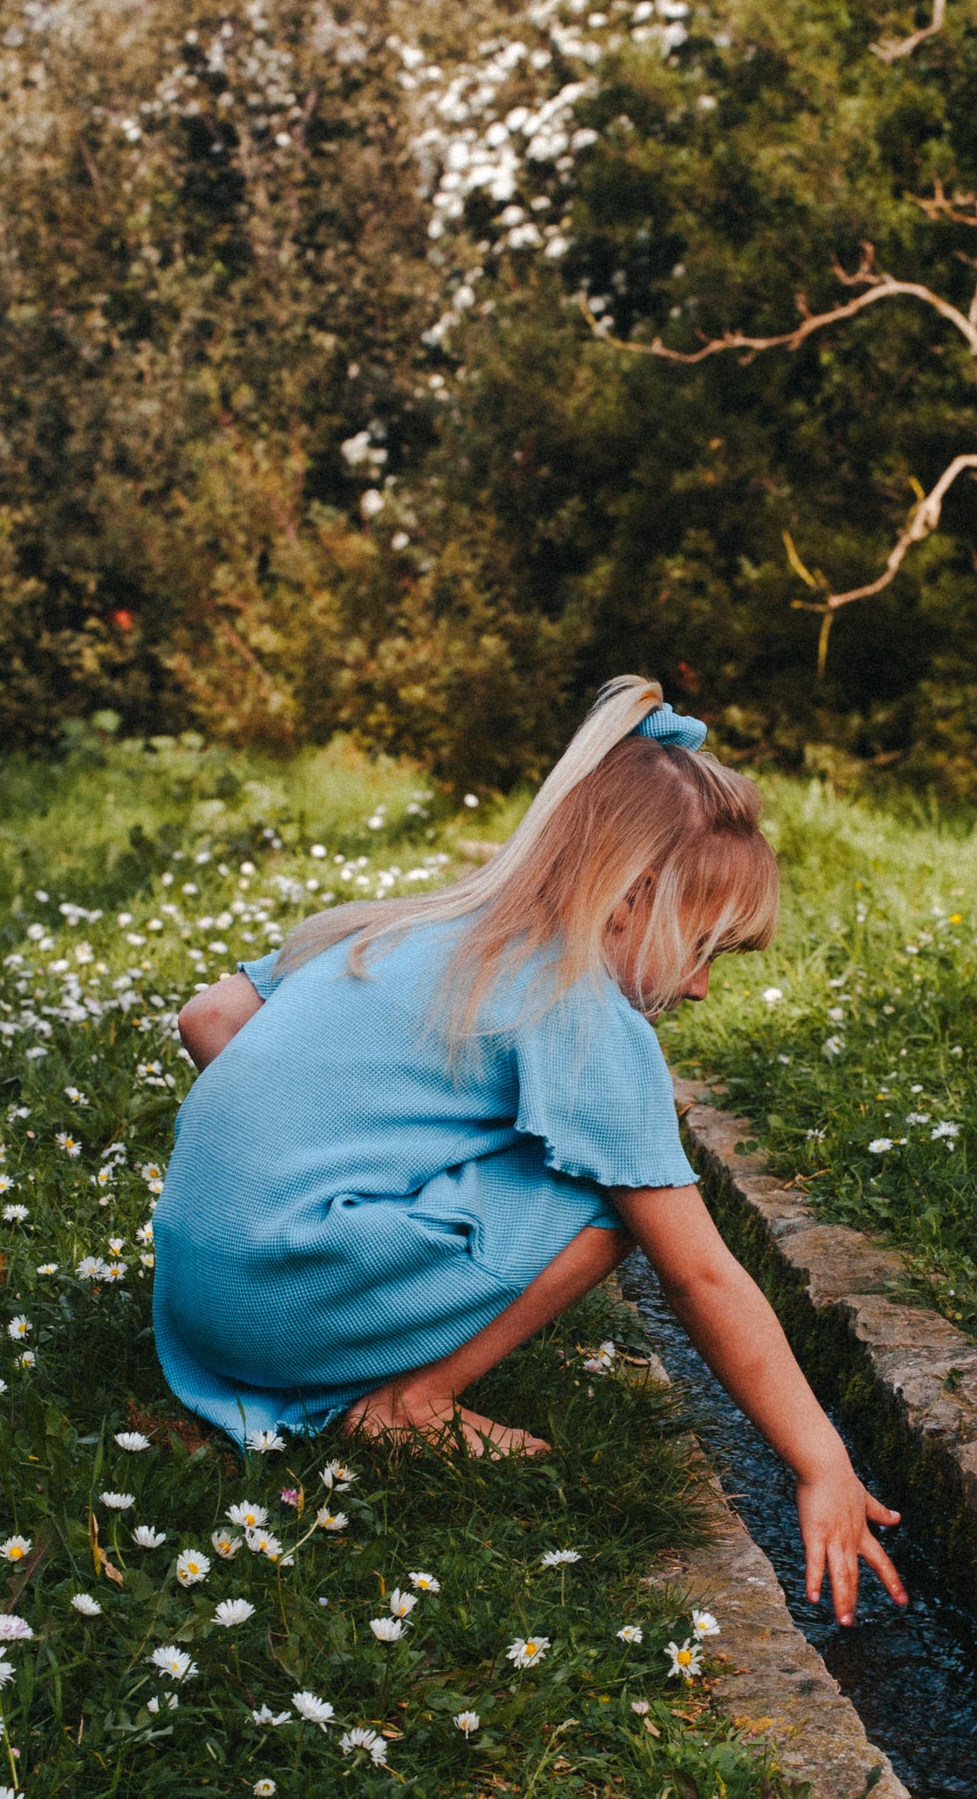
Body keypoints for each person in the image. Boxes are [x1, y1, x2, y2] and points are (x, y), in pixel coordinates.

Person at [153, 674, 907, 1623]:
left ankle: (340, 1327)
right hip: (286, 1310)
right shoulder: (578, 1008)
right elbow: (699, 1277)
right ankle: (410, 1408)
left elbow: (207, 1017)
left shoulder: (402, 926)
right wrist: (821, 1463)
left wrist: (306, 1153)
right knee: (614, 1191)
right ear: (631, 896)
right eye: (704, 947)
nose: (706, 988)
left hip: (194, 1297)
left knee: (582, 1156)